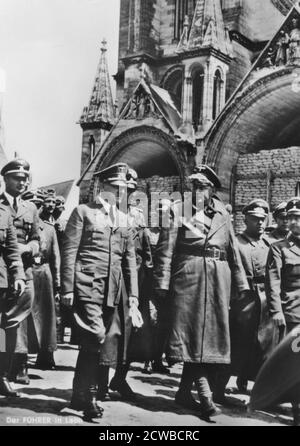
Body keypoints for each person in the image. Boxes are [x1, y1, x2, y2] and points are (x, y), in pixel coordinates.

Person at [153, 165, 249, 419]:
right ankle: (206, 397)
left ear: (212, 190)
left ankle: (184, 393)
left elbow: (233, 251)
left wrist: (240, 285)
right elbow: (165, 250)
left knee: (207, 340)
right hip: (189, 278)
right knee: (190, 336)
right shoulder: (178, 211)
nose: (197, 191)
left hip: (219, 279)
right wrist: (162, 283)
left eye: (202, 187)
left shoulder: (223, 215)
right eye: (194, 186)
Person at [61, 163, 139, 421]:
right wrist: (68, 288)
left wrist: (135, 297)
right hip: (86, 286)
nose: (118, 194)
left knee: (93, 343)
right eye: (115, 188)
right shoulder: (83, 212)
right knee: (95, 336)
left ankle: (77, 396)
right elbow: (70, 252)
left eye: (122, 190)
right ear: (103, 187)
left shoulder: (125, 220)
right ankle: (91, 398)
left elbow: (129, 262)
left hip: (113, 291)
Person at [100, 168, 153, 401]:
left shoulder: (137, 218)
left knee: (133, 335)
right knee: (106, 332)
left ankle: (119, 378)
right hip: (110, 280)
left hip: (134, 283)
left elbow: (146, 254)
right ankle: (99, 381)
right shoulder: (105, 215)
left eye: (130, 190)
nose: (127, 194)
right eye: (124, 188)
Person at [229, 199, 275, 395]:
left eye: (263, 219)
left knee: (264, 344)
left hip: (265, 298)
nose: (260, 223)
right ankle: (225, 383)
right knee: (240, 341)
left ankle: (257, 385)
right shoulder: (236, 242)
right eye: (256, 219)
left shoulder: (269, 244)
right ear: (245, 219)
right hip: (243, 298)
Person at [0, 159, 40, 385]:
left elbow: (38, 239)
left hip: (23, 271)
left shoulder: (30, 208)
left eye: (25, 178)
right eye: (17, 178)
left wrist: (30, 247)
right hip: (2, 271)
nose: (22, 182)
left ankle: (7, 372)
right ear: (5, 179)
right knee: (1, 326)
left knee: (12, 324)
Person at [266, 197, 300, 424]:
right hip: (293, 314)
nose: (295, 222)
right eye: (293, 218)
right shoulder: (279, 249)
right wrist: (276, 312)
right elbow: (274, 283)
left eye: (299, 218)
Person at [22, 189, 61, 370]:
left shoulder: (50, 229)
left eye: (38, 205)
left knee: (46, 317)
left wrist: (59, 282)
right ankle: (18, 360)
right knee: (22, 316)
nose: (36, 209)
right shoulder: (20, 225)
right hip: (24, 271)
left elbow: (55, 257)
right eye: (34, 205)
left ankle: (46, 355)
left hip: (44, 273)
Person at [0, 204, 26, 396]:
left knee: (1, 332)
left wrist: (18, 275)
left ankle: (1, 375)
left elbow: (11, 248)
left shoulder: (4, 213)